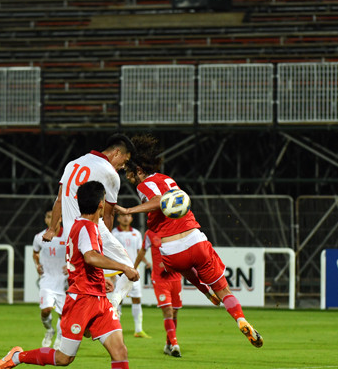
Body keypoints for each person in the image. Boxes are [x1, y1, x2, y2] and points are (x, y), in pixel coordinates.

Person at [0, 181, 155, 369]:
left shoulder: (83, 226)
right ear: (101, 204)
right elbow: (90, 256)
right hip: (80, 301)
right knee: (63, 358)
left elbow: (85, 262)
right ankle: (17, 357)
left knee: (119, 350)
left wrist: (103, 281)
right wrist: (124, 267)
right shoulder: (85, 228)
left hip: (98, 299)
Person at [116, 134, 263, 349]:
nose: (128, 178)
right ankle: (240, 318)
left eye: (129, 173)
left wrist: (130, 209)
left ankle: (205, 292)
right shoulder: (169, 180)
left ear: (138, 170)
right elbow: (169, 199)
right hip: (195, 239)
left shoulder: (143, 185)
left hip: (172, 250)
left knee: (182, 267)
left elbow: (158, 201)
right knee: (224, 291)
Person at [42, 134, 137, 316]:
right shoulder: (110, 174)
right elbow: (107, 215)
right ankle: (112, 306)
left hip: (71, 236)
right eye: (124, 161)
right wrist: (99, 246)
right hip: (90, 230)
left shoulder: (73, 163)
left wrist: (52, 229)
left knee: (82, 287)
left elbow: (60, 199)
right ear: (117, 152)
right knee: (129, 270)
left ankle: (78, 322)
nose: (123, 167)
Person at [143, 229, 183, 357]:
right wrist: (133, 267)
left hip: (175, 278)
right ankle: (175, 344)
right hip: (160, 279)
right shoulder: (149, 234)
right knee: (167, 311)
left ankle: (168, 345)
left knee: (174, 312)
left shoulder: (176, 229)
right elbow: (142, 251)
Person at [32, 209, 67, 349]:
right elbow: (35, 253)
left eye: (54, 216)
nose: (51, 219)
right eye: (48, 217)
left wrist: (71, 265)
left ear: (60, 219)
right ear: (45, 219)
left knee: (62, 313)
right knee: (46, 310)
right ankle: (49, 330)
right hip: (47, 280)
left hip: (65, 281)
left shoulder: (68, 235)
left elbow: (78, 253)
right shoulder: (39, 237)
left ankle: (59, 337)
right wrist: (37, 264)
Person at [112, 212, 151, 338]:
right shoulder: (114, 233)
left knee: (137, 299)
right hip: (120, 272)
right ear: (118, 218)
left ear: (131, 218)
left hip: (134, 271)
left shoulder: (136, 233)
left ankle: (138, 329)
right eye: (122, 216)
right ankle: (116, 328)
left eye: (127, 216)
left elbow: (139, 251)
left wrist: (146, 262)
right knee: (119, 299)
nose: (125, 217)